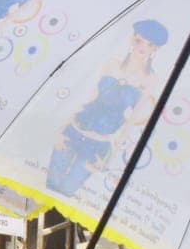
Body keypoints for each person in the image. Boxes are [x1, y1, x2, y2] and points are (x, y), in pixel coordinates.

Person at [46, 19, 169, 198]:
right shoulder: (111, 64)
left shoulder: (150, 79)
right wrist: (61, 129)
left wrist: (110, 158)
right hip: (73, 131)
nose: (142, 47)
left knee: (67, 191)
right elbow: (90, 97)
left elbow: (133, 117)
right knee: (50, 186)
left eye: (149, 44)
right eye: (139, 40)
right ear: (132, 39)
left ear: (154, 49)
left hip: (98, 144)